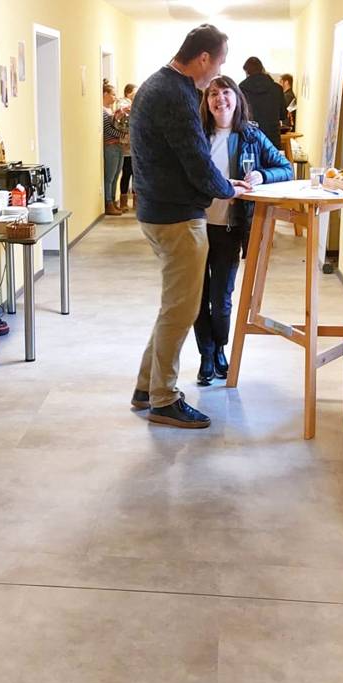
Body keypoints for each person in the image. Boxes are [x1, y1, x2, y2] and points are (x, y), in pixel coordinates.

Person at [128, 24, 252, 429]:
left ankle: (146, 387)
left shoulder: (156, 85)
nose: (218, 72)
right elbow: (197, 162)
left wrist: (222, 184)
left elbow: (188, 161)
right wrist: (227, 189)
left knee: (174, 306)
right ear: (203, 58)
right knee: (181, 311)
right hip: (177, 218)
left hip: (157, 211)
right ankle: (164, 399)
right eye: (220, 63)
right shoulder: (176, 94)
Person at [193, 76, 291, 385]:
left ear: (237, 99)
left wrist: (262, 175)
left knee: (221, 298)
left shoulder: (251, 135)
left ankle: (220, 348)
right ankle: (206, 355)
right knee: (197, 298)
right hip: (194, 228)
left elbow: (286, 167)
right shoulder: (196, 135)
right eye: (213, 94)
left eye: (226, 93)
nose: (219, 99)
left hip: (229, 228)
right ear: (206, 101)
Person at [238, 57, 286, 147]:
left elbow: (239, 115)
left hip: (251, 137)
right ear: (262, 69)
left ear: (247, 72)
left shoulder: (241, 89)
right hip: (273, 138)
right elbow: (283, 115)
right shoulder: (277, 88)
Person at [102, 81, 126, 216]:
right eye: (113, 94)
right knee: (110, 177)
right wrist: (124, 135)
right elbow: (107, 130)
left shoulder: (111, 110)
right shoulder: (102, 111)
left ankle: (113, 201)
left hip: (118, 145)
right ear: (105, 94)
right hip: (110, 146)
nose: (115, 97)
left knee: (116, 175)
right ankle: (108, 203)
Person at [119, 82, 137, 211]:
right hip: (126, 147)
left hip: (136, 148)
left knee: (136, 175)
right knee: (126, 174)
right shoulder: (122, 105)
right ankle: (123, 202)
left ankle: (136, 202)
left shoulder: (138, 107)